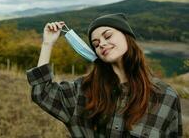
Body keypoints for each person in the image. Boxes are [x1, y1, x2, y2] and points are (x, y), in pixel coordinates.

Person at [26, 13, 182, 138]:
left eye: (107, 36)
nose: (101, 44)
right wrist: (47, 44)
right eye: (95, 43)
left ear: (127, 37)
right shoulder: (83, 90)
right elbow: (42, 92)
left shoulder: (165, 96)